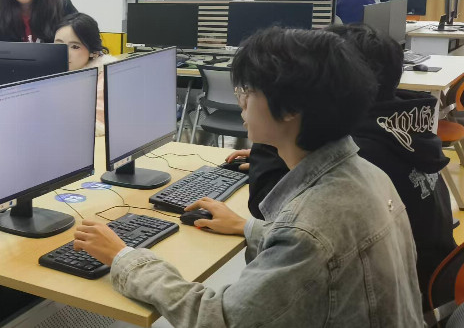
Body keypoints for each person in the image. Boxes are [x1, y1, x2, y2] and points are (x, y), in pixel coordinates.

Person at [73, 27, 424, 327]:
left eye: (248, 91)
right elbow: (324, 250)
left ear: (291, 109)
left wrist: (125, 258)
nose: (240, 102)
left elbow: (218, 319)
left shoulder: (307, 229)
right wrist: (248, 227)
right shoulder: (368, 174)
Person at [225, 24, 455, 303]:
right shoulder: (399, 128)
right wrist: (287, 147)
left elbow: (271, 208)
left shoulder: (363, 156)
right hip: (428, 281)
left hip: (410, 295)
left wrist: (275, 137)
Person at [53, 13, 117, 136]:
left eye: (75, 47)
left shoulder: (106, 80)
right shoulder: (50, 72)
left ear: (93, 52)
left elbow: (94, 126)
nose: (64, 52)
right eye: (59, 44)